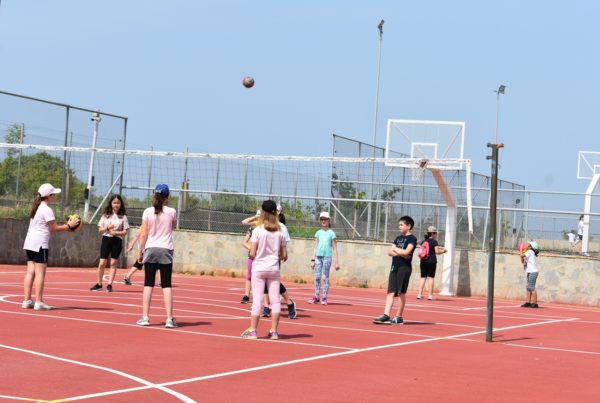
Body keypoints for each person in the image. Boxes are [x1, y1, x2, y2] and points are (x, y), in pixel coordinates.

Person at [22, 183, 81, 310]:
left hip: (29, 242)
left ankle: (27, 300)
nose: (55, 196)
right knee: (40, 273)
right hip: (40, 243)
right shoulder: (47, 210)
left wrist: (67, 227)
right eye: (53, 194)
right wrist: (69, 226)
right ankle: (39, 302)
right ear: (49, 196)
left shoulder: (36, 207)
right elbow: (54, 228)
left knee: (30, 272)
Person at [241, 200, 288, 339]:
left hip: (259, 268)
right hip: (273, 268)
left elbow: (252, 253)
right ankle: (274, 331)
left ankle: (253, 330)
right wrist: (274, 256)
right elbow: (284, 255)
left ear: (262, 212)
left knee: (257, 300)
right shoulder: (280, 231)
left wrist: (259, 254)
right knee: (275, 300)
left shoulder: (258, 230)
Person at [241, 207, 298, 319]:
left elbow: (284, 250)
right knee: (264, 284)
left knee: (273, 284)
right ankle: (266, 306)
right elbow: (245, 223)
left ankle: (289, 302)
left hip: (273, 261)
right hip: (261, 261)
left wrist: (278, 257)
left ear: (278, 213)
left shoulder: (281, 228)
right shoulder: (261, 226)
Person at [136, 184, 177, 328]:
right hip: (166, 248)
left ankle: (145, 317)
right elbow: (172, 226)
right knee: (166, 284)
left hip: (150, 248)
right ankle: (169, 319)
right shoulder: (172, 211)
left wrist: (140, 252)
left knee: (148, 283)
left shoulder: (147, 211)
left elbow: (144, 234)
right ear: (167, 197)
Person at [373, 216, 417, 325]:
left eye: (401, 225)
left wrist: (397, 250)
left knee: (401, 292)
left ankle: (398, 317)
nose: (399, 227)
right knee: (391, 291)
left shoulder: (412, 239)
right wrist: (401, 252)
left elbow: (407, 252)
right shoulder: (398, 238)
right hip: (394, 267)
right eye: (399, 225)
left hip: (404, 268)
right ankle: (386, 315)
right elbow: (390, 252)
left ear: (408, 226)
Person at [90, 195, 129, 292]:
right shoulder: (105, 215)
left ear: (121, 204)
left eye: (118, 203)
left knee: (113, 262)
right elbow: (100, 230)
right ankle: (99, 284)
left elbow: (125, 232)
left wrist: (116, 232)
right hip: (106, 239)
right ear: (111, 204)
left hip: (117, 240)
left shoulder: (123, 216)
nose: (116, 204)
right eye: (114, 202)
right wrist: (107, 228)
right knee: (102, 263)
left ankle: (109, 284)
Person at [308, 211, 340, 305]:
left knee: (325, 277)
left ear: (329, 220)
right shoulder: (318, 233)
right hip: (318, 257)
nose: (323, 221)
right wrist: (312, 260)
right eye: (322, 219)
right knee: (317, 277)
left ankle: (324, 297)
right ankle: (316, 297)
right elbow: (315, 247)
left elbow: (335, 248)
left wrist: (337, 262)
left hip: (327, 257)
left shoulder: (331, 233)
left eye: (325, 219)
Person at [416, 226, 446, 301]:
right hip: (432, 261)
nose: (436, 234)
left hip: (423, 261)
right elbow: (437, 252)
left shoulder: (424, 241)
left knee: (423, 277)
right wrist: (443, 251)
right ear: (432, 233)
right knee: (431, 278)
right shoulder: (434, 242)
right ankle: (430, 296)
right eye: (435, 233)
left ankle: (419, 295)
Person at [520, 241, 540, 308]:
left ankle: (535, 303)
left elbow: (522, 255)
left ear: (531, 247)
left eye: (528, 245)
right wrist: (521, 254)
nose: (527, 245)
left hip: (533, 272)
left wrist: (521, 249)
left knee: (531, 287)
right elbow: (522, 261)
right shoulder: (529, 253)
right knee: (528, 287)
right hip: (530, 272)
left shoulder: (530, 251)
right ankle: (528, 302)